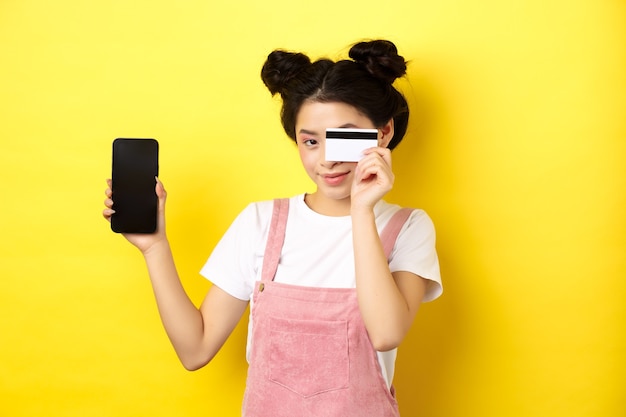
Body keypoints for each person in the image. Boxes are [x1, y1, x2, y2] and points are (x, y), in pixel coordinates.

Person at [103, 39, 442, 417]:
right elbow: (195, 349)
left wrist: (362, 209)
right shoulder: (261, 222)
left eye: (345, 137)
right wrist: (154, 247)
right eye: (310, 141)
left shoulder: (409, 227)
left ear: (382, 133)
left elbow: (385, 333)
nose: (327, 159)